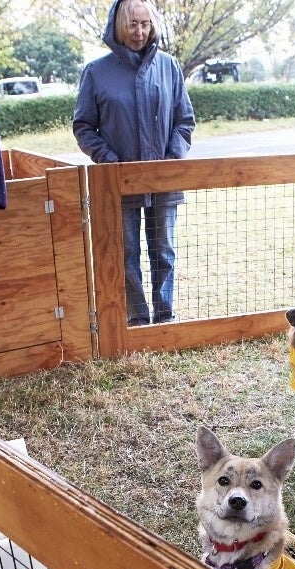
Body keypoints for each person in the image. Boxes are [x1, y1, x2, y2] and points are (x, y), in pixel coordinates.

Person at [73, 0, 195, 326]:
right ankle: (138, 321)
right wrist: (111, 164)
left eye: (145, 24)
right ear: (118, 26)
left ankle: (165, 319)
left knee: (164, 254)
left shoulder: (169, 67)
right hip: (119, 184)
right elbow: (83, 127)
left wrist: (170, 161)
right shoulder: (97, 72)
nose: (139, 31)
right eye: (132, 24)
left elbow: (185, 121)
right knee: (126, 256)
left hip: (165, 182)